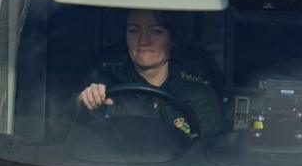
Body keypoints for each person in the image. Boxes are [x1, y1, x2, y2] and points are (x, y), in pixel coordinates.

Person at [77, 9, 227, 139]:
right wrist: (84, 101)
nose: (143, 41)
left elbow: (210, 156)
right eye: (134, 30)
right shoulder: (104, 86)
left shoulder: (198, 96)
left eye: (156, 31)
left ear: (172, 39)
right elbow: (70, 132)